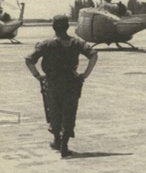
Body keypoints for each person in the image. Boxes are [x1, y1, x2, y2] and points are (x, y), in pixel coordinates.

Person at [24, 14, 98, 158]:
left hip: (52, 82)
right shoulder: (76, 43)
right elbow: (94, 55)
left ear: (53, 27)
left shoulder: (45, 44)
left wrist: (38, 76)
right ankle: (64, 145)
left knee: (53, 111)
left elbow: (29, 60)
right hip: (71, 82)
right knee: (69, 112)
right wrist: (85, 74)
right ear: (67, 27)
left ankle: (57, 140)